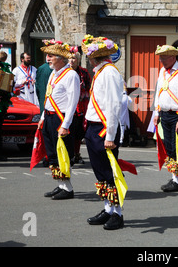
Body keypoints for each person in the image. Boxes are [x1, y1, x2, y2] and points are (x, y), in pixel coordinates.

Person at [82, 35, 125, 230]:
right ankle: (108, 208)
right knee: (100, 172)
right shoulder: (101, 72)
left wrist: (110, 135)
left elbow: (114, 105)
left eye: (89, 55)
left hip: (103, 129)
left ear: (94, 58)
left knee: (109, 173)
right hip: (94, 127)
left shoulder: (109, 73)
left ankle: (118, 213)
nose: (88, 59)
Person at [38, 39, 80, 200]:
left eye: (51, 56)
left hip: (61, 118)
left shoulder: (71, 75)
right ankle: (60, 184)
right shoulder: (53, 74)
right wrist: (43, 117)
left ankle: (68, 188)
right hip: (49, 117)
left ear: (61, 58)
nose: (48, 58)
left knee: (63, 153)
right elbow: (48, 97)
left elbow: (73, 102)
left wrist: (65, 124)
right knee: (52, 154)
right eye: (48, 56)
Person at [153, 45, 178, 192]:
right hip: (164, 114)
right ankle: (175, 178)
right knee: (168, 147)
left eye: (163, 57)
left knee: (177, 148)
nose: (161, 60)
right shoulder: (163, 71)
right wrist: (156, 113)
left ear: (172, 57)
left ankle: (177, 181)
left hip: (176, 116)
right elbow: (159, 93)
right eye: (160, 57)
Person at [68, 51, 91, 164]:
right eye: (70, 58)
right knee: (69, 133)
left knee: (78, 133)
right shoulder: (65, 72)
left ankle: (77, 154)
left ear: (78, 60)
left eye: (73, 58)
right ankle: (69, 154)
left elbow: (88, 88)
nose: (71, 61)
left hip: (80, 107)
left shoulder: (84, 72)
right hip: (68, 107)